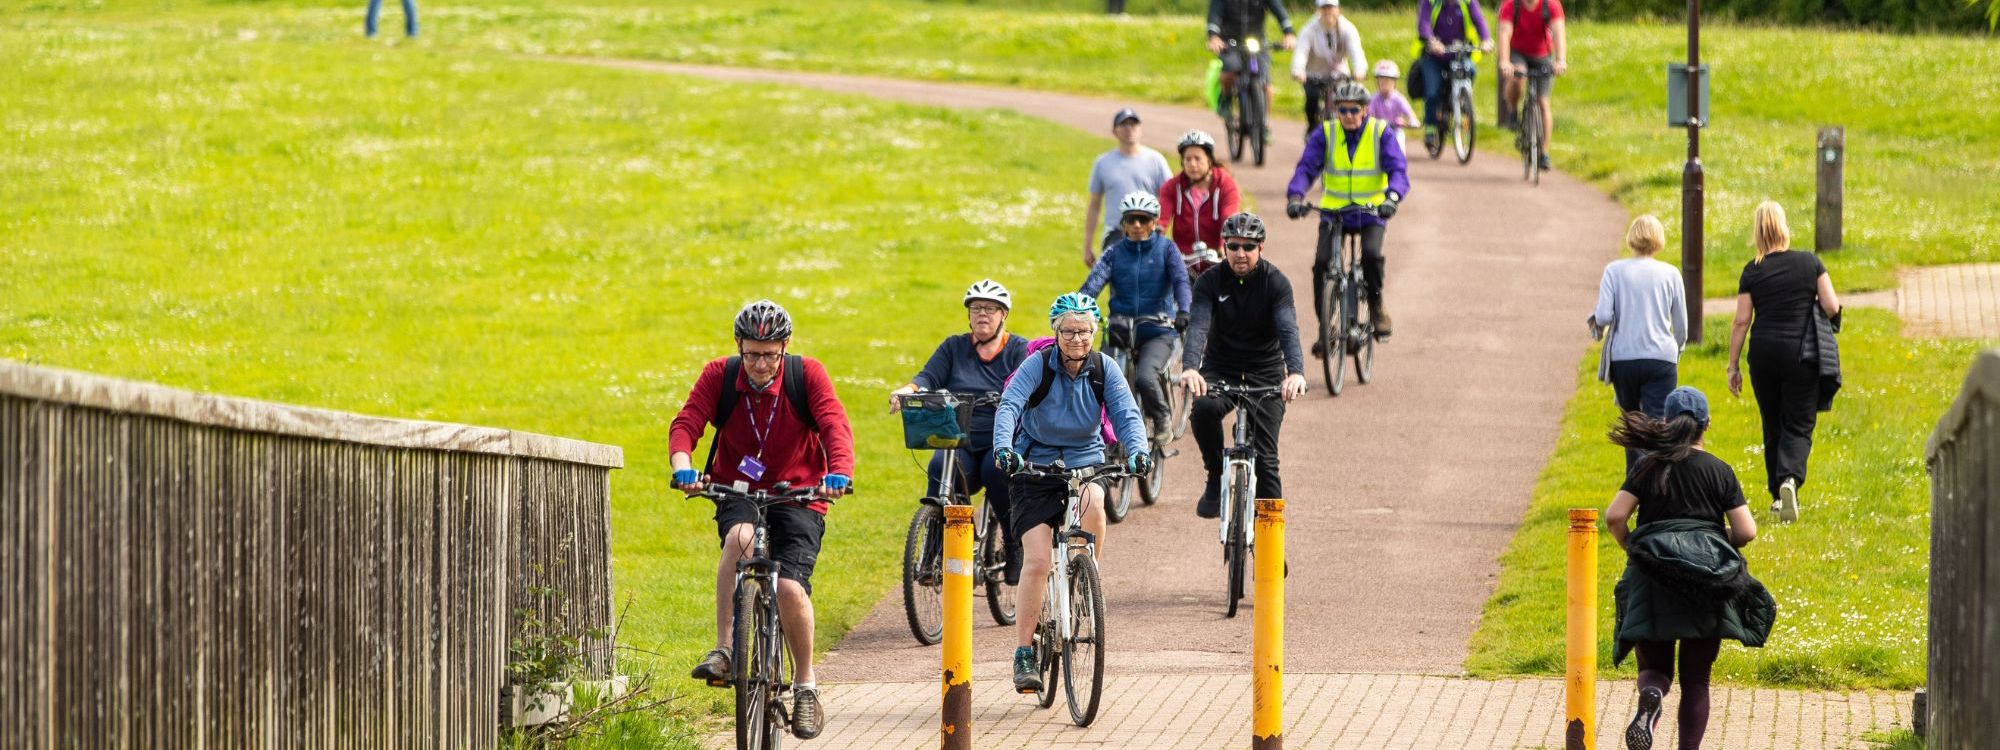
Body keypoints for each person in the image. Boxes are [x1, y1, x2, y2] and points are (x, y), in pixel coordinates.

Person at [671, 300, 855, 741]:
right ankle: (726, 651)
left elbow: (834, 425)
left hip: (801, 494)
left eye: (769, 354)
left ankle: (806, 686)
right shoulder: (720, 375)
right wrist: (683, 466)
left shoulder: (805, 375)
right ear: (739, 347)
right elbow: (687, 422)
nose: (759, 363)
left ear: (784, 349)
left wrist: (839, 473)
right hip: (739, 490)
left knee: (790, 587)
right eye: (751, 353)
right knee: (739, 538)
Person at [992, 293, 1152, 693]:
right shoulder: (1036, 366)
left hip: (1085, 462)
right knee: (1038, 560)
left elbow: (1126, 413)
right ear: (1056, 332)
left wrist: (1138, 452)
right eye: (1068, 331)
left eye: (1083, 331)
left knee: (1095, 501)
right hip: (1034, 467)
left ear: (1094, 332)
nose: (1076, 338)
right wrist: (1004, 448)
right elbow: (1010, 404)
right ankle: (1024, 652)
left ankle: (1086, 575)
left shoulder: (1104, 368)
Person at [1605, 386, 1774, 750]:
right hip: (1706, 581)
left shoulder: (1647, 466)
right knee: (1696, 679)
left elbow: (1615, 516)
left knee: (1655, 668)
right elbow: (1747, 530)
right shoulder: (1719, 471)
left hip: (1653, 578)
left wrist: (1635, 548)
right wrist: (1720, 537)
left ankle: (1651, 694)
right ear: (1706, 425)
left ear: (1665, 423)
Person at [889, 280, 1031, 582]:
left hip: (999, 438)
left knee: (997, 471)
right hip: (959, 439)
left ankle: (1013, 543)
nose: (982, 314)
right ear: (968, 315)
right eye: (976, 308)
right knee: (939, 467)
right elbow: (928, 376)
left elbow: (1028, 385)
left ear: (1003, 315)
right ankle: (933, 551)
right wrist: (907, 391)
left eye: (990, 309)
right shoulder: (954, 347)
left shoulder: (1019, 349)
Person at [1179, 213, 1310, 519]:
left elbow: (1288, 329)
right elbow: (1197, 326)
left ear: (1261, 248)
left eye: (1248, 247)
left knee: (1266, 460)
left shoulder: (1276, 282)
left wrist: (1296, 373)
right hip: (1221, 367)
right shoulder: (1209, 281)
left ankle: (1271, 547)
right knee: (1204, 410)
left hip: (1264, 371)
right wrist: (1190, 367)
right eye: (1233, 246)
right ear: (1224, 247)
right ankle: (1215, 475)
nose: (1240, 253)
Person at [1725, 201, 1841, 523]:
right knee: (1799, 422)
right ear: (1784, 227)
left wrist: (1732, 366)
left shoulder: (1753, 270)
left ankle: (1778, 496)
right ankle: (1789, 480)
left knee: (1772, 421)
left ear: (1758, 232)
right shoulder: (1809, 263)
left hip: (1763, 353)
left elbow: (1740, 321)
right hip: (1801, 354)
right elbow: (1831, 305)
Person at [1285, 80, 1410, 342]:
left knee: (1372, 257)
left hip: (1371, 211)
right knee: (1321, 264)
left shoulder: (1380, 132)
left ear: (1365, 110)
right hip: (1334, 212)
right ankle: (1325, 328)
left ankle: (1376, 306)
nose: (1348, 116)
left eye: (1354, 110)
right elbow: (1307, 167)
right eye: (1342, 110)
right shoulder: (1326, 133)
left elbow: (1398, 170)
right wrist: (1296, 195)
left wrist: (1392, 197)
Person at [1080, 191, 1194, 448]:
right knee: (1098, 378)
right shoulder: (1114, 253)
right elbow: (1093, 284)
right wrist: (1078, 310)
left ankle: (1161, 417)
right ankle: (1099, 432)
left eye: (1143, 220)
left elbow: (1180, 282)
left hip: (1158, 330)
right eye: (1131, 220)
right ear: (1123, 223)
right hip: (1120, 329)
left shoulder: (1167, 249)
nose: (1137, 226)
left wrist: (1184, 311)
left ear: (1155, 222)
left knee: (1145, 377)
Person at [1591, 215, 1688, 475]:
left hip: (1624, 357)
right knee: (1658, 425)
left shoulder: (1615, 270)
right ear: (1659, 240)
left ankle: (1634, 485)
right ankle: (1656, 484)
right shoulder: (1671, 273)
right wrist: (1676, 351)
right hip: (1661, 358)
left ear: (1631, 238)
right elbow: (1681, 326)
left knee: (1633, 427)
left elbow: (1602, 316)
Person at [1084, 109, 1174, 268]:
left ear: (1140, 129)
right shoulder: (1103, 163)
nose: (1129, 129)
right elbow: (1094, 205)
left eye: (1133, 124)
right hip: (1116, 233)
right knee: (1121, 282)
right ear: (1115, 131)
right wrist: (1087, 245)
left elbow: (1169, 197)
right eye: (1124, 125)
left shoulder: (1156, 160)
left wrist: (1161, 228)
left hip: (1149, 231)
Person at [1207, 0, 1299, 141]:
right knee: (1229, 71)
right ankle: (1226, 100)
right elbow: (1214, 15)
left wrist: (1288, 32)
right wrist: (1213, 36)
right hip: (1230, 41)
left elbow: (1279, 11)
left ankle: (1265, 124)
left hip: (1257, 40)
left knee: (1266, 84)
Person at [1496, 0, 1568, 172]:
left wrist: (1560, 60)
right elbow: (1505, 34)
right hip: (1518, 53)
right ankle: (1512, 111)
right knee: (1518, 77)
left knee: (1543, 103)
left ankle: (1544, 152)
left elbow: (1559, 32)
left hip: (1542, 55)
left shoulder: (1551, 5)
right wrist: (1505, 62)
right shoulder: (1510, 6)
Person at [1159, 129, 1241, 277]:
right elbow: (1161, 221)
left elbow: (1229, 220)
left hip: (1217, 265)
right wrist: (1152, 245)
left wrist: (1225, 246)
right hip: (1183, 266)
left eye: (1198, 158)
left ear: (1209, 160)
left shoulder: (1225, 185)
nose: (1193, 164)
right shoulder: (1172, 187)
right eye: (1188, 159)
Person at [1413, 0, 1493, 152]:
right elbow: (1423, 24)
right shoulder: (1430, 2)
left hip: (1459, 54)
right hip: (1434, 56)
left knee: (1471, 70)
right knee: (1432, 91)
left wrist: (1486, 40)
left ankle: (1462, 102)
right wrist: (1432, 42)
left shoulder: (1467, 2)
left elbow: (1479, 20)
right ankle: (1430, 127)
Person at [1290, 0, 1369, 133]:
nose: (1328, 13)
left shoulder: (1347, 28)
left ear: (1338, 10)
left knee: (1344, 99)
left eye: (1331, 8)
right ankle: (1312, 128)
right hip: (1313, 73)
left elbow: (1356, 51)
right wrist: (1298, 70)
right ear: (1318, 11)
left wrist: (1359, 69)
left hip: (1339, 73)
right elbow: (1301, 52)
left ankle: (1344, 131)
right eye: (1324, 9)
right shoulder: (1309, 29)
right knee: (1312, 98)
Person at [1365, 60, 1420, 150]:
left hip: (1395, 130)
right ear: (1377, 82)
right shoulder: (1373, 98)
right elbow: (1368, 113)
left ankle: (1399, 161)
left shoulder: (1398, 98)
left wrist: (1412, 120)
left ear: (1394, 82)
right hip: (1378, 131)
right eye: (1381, 80)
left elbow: (1408, 112)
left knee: (1399, 145)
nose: (1384, 83)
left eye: (1387, 81)